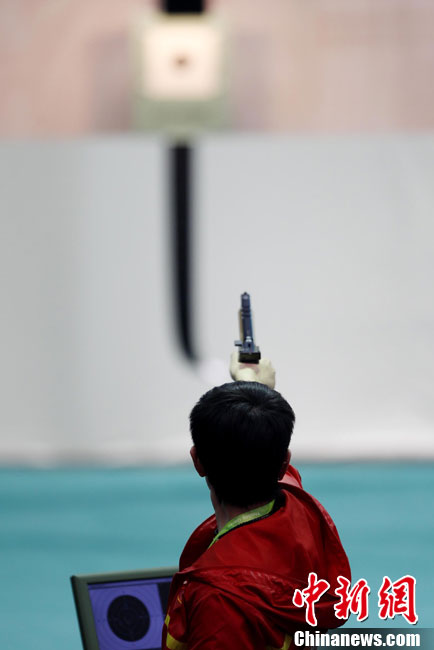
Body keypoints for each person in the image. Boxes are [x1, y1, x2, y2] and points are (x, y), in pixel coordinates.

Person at [162, 353, 351, 649]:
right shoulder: (302, 514)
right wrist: (253, 391)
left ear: (197, 460)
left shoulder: (218, 600)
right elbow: (266, 453)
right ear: (284, 462)